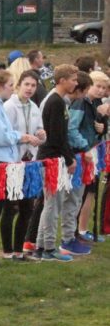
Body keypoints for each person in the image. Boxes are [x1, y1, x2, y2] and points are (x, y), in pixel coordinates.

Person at [0, 70, 41, 266]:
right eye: (11, 85)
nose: (13, 89)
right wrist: (21, 137)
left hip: (5, 162)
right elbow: (1, 137)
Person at [34, 64, 80, 262]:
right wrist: (69, 159)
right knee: (53, 204)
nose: (76, 83)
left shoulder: (59, 101)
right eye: (73, 79)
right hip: (51, 158)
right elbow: (57, 136)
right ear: (62, 80)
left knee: (52, 203)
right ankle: (48, 247)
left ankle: (42, 245)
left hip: (55, 157)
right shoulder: (55, 102)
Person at [3, 70, 46, 261]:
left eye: (33, 85)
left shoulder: (34, 107)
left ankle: (19, 249)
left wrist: (41, 133)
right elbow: (5, 134)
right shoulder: (9, 106)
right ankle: (7, 250)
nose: (29, 88)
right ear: (19, 85)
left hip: (30, 162)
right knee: (10, 207)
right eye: (26, 84)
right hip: (14, 161)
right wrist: (24, 138)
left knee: (27, 207)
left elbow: (38, 128)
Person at [68, 71, 105, 248]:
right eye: (97, 86)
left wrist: (102, 128)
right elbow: (73, 128)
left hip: (91, 153)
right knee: (77, 196)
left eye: (104, 88)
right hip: (81, 153)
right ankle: (73, 233)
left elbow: (97, 130)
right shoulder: (81, 102)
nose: (100, 90)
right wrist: (84, 146)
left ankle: (78, 231)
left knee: (86, 194)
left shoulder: (94, 103)